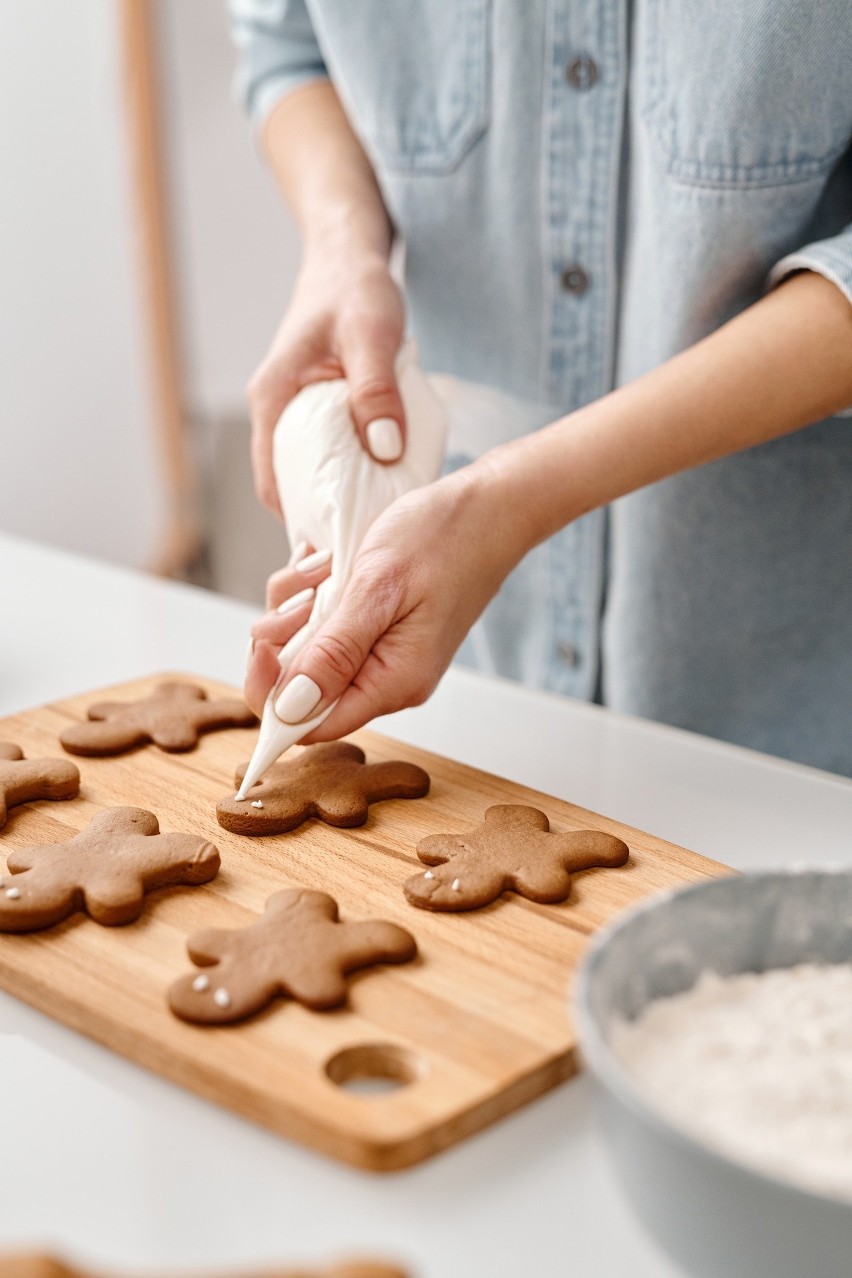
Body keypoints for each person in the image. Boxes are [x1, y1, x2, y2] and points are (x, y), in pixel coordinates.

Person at [229, 1, 852, 777]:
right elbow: (288, 48)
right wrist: (341, 252)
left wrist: (509, 498)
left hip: (790, 718)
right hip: (483, 702)